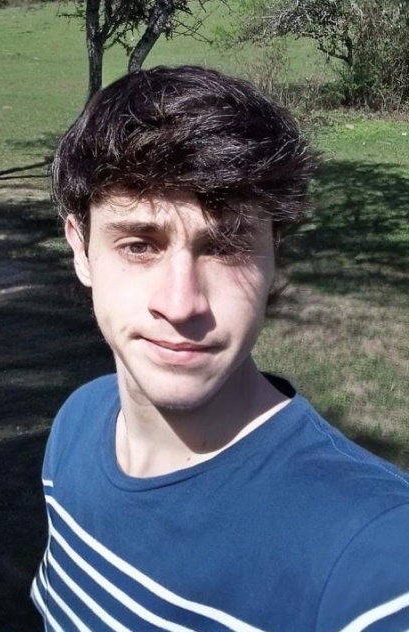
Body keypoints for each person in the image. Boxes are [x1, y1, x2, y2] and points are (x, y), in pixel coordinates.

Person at [31, 65, 409, 631]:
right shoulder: (75, 426)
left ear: (276, 253)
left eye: (227, 245)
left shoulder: (373, 553)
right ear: (81, 251)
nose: (181, 304)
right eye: (138, 245)